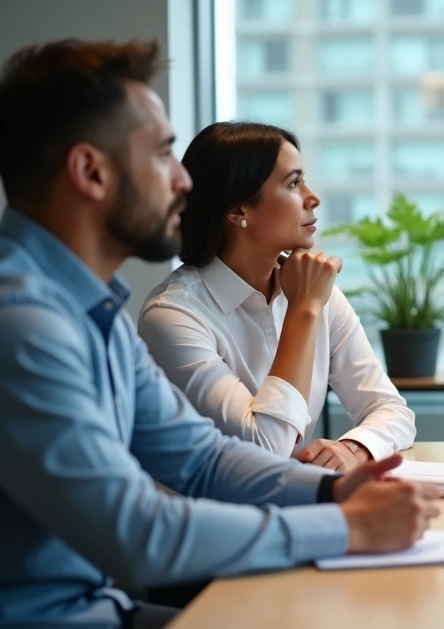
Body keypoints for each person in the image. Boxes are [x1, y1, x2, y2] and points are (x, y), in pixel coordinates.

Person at [0, 39, 439, 629]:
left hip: (103, 607)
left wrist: (334, 492)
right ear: (91, 172)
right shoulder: (23, 325)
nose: (183, 181)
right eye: (162, 154)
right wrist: (342, 525)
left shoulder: (90, 310)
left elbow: (204, 459)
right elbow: (137, 532)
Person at [138, 122, 416, 472]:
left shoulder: (316, 292)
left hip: (296, 499)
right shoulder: (172, 316)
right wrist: (304, 309)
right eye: (294, 183)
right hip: (206, 506)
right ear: (239, 210)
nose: (313, 198)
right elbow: (265, 450)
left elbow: (392, 410)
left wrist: (354, 448)